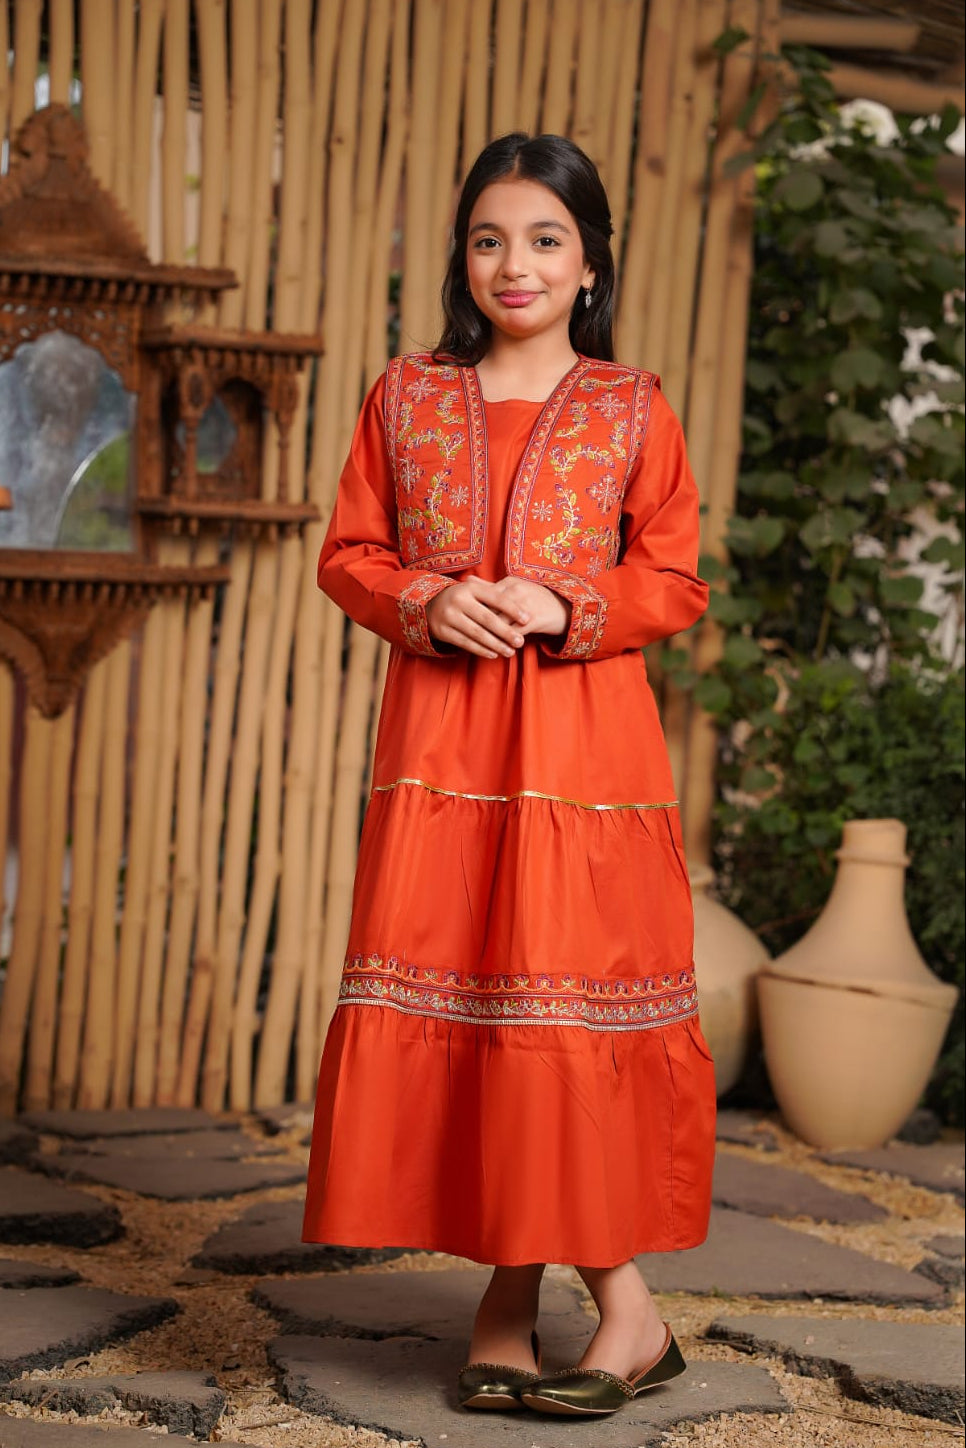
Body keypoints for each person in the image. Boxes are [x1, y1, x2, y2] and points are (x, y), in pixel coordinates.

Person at [302, 132, 716, 1419]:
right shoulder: (406, 398)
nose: (514, 263)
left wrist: (562, 598)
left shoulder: (632, 404)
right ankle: (527, 1298)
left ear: (589, 261)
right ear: (461, 257)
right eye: (490, 238)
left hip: (587, 762)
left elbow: (676, 578)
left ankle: (589, 1306)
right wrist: (428, 599)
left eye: (544, 238)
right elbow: (350, 553)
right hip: (441, 755)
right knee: (478, 1005)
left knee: (549, 1014)